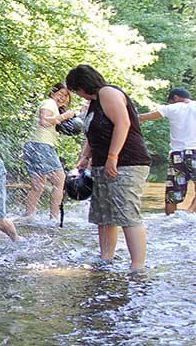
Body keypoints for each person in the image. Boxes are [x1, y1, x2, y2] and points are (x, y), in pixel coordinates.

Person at [66, 65, 151, 271]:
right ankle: (106, 258)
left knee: (127, 213)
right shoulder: (94, 103)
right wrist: (85, 156)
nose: (78, 94)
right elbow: (92, 134)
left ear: (82, 86)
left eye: (76, 90)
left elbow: (123, 124)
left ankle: (137, 267)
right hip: (102, 164)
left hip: (127, 162)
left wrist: (113, 156)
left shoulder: (108, 92)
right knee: (103, 214)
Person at [23, 83, 77, 220]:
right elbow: (44, 121)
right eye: (61, 94)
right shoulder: (49, 103)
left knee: (38, 186)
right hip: (42, 145)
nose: (63, 98)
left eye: (66, 96)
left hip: (33, 145)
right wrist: (65, 116)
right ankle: (54, 218)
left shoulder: (51, 105)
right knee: (60, 180)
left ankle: (29, 217)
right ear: (53, 93)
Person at [139, 87, 196, 214]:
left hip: (177, 155)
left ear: (175, 98)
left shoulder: (170, 108)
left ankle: (170, 220)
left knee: (172, 194)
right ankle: (190, 212)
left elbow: (142, 118)